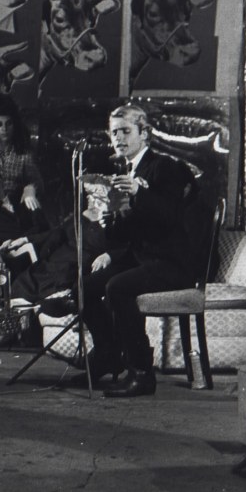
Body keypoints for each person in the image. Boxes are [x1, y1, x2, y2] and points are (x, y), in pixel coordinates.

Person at [74, 103, 196, 397]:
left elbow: (172, 216)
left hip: (172, 262)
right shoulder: (124, 171)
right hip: (142, 259)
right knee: (84, 286)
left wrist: (139, 191)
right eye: (114, 132)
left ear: (145, 133)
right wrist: (109, 219)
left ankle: (141, 373)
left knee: (118, 288)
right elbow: (125, 236)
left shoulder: (165, 167)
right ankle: (107, 353)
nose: (119, 138)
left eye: (126, 131)